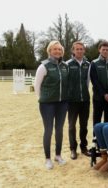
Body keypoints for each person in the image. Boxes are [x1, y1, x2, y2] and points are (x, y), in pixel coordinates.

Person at [34, 40, 68, 170]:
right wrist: (41, 99)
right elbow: (37, 85)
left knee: (59, 130)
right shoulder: (44, 66)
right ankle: (47, 158)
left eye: (59, 49)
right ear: (49, 51)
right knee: (48, 130)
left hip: (62, 103)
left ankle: (58, 155)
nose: (57, 51)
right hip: (47, 104)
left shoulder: (65, 66)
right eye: (55, 49)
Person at [66, 41, 91, 160]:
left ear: (84, 50)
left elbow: (87, 82)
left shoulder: (88, 64)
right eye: (77, 49)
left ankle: (84, 147)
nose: (79, 51)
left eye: (81, 49)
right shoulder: (68, 64)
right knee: (71, 126)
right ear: (73, 51)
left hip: (85, 100)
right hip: (72, 101)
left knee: (84, 125)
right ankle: (72, 149)